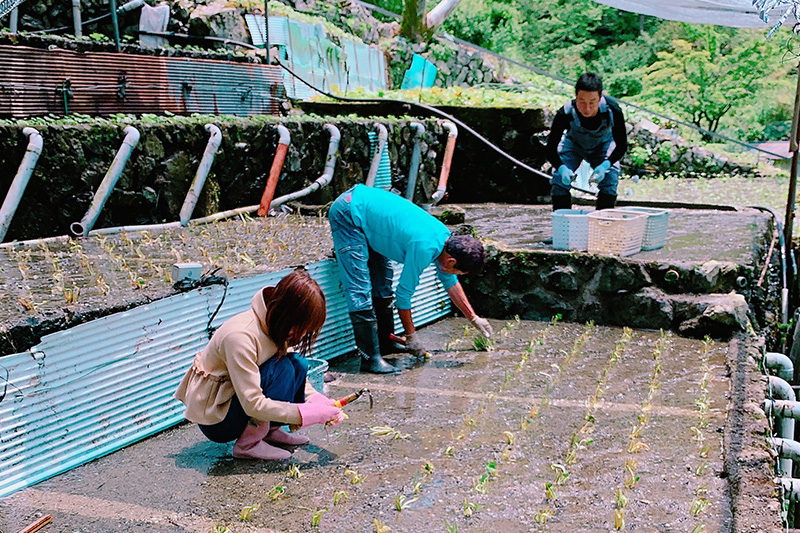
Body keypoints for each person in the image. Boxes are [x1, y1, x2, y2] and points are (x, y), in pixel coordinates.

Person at [174, 268, 344, 460]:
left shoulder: (276, 321)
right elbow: (253, 404)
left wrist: (315, 399)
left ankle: (269, 433)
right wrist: (305, 413)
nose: (300, 335)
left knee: (296, 364)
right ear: (287, 314)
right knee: (283, 368)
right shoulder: (240, 337)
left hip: (238, 402)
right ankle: (248, 444)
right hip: (219, 419)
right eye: (300, 328)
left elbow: (294, 372)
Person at [328, 183, 494, 374]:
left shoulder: (444, 241)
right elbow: (403, 296)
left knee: (382, 282)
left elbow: (449, 281)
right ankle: (370, 359)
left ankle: (385, 343)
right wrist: (411, 336)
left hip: (367, 213)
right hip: (349, 212)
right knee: (359, 288)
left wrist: (473, 318)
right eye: (458, 272)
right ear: (451, 261)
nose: (455, 276)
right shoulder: (424, 247)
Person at [546, 72, 628, 211]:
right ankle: (564, 224)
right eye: (582, 102)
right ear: (576, 96)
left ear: (600, 97)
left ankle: (603, 226)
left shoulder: (613, 110)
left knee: (610, 179)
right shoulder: (565, 112)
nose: (587, 108)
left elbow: (621, 145)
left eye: (592, 102)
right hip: (573, 146)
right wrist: (561, 167)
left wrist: (605, 165)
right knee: (559, 180)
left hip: (603, 146)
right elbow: (550, 148)